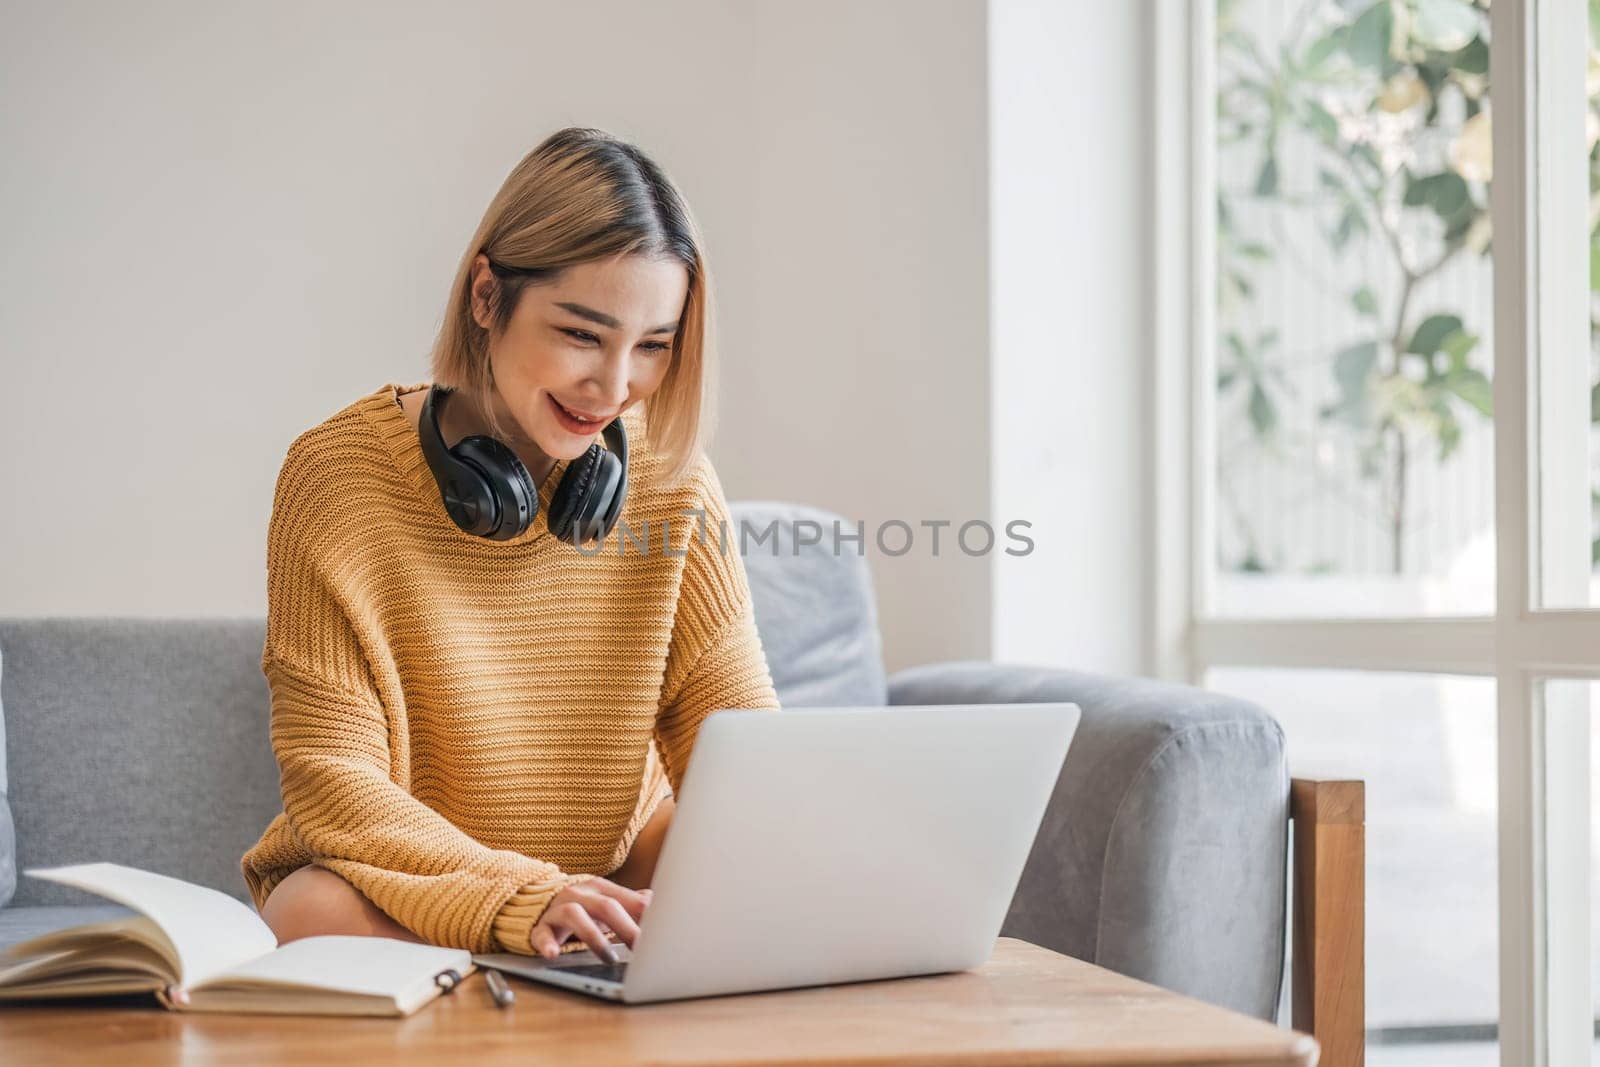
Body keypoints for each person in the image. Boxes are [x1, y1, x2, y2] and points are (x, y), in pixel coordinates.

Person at [240, 126, 781, 962]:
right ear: (486, 296)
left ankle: (550, 972)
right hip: (408, 884)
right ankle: (541, 964)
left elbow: (741, 748)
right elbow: (334, 786)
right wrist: (521, 896)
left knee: (742, 860)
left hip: (603, 877)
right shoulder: (336, 477)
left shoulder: (673, 478)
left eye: (652, 347)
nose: (613, 386)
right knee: (308, 908)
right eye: (580, 334)